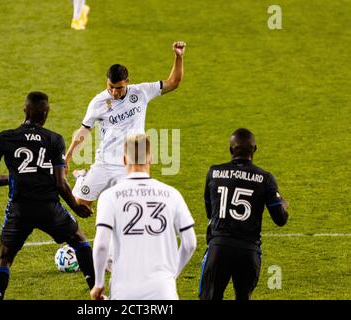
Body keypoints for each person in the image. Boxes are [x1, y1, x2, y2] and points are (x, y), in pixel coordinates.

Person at [0, 91, 94, 300]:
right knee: (79, 240)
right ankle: (97, 293)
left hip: (19, 209)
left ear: (25, 110)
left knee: (4, 258)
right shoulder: (54, 139)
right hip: (49, 208)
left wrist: (12, 178)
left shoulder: (4, 138)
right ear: (46, 113)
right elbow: (61, 183)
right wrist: (76, 207)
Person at [66, 41, 187, 210]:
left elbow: (173, 82)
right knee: (81, 206)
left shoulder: (142, 91)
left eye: (119, 88)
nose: (114, 92)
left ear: (127, 82)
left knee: (132, 208)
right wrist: (69, 156)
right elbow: (85, 129)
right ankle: (81, 178)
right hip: (105, 162)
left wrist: (178, 57)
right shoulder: (98, 102)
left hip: (133, 163)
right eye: (111, 87)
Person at [90, 134, 197, 300]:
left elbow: (102, 245)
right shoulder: (171, 194)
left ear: (124, 160)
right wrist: (171, 275)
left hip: (124, 290)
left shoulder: (109, 196)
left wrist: (98, 283)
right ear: (151, 159)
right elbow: (190, 243)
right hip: (162, 291)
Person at [199, 128, 289, 300]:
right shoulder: (265, 178)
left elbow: (210, 212)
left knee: (209, 297)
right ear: (254, 149)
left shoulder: (214, 173)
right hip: (248, 251)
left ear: (231, 150)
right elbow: (280, 219)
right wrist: (283, 205)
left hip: (219, 248)